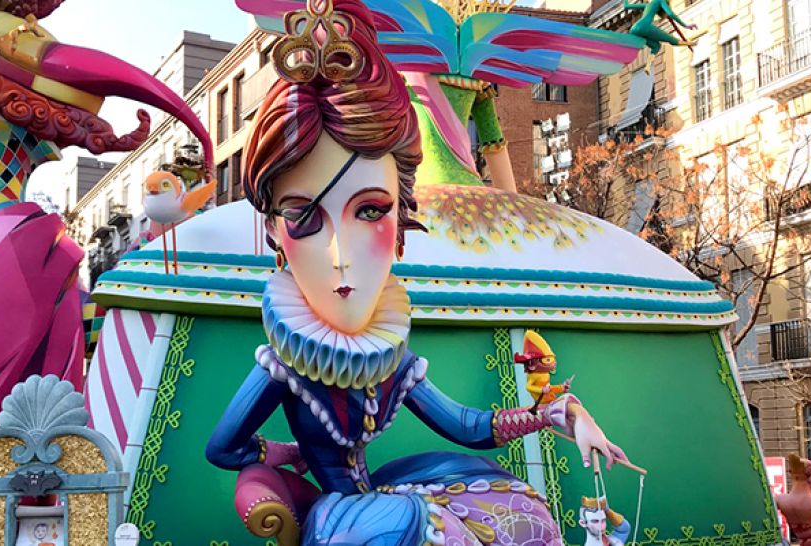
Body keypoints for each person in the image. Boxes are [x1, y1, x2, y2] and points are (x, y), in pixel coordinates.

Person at [205, 1, 629, 544]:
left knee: (518, 510)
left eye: (370, 211)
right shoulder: (285, 365)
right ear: (272, 232)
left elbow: (468, 427)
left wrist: (553, 414)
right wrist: (285, 458)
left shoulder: (393, 360)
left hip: (385, 496)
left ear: (401, 218)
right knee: (405, 526)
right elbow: (224, 448)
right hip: (346, 520)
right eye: (304, 217)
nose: (339, 253)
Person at [624, 0, 697, 54]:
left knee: (656, 46)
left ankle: (648, 66)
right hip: (645, 27)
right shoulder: (660, 0)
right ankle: (694, 43)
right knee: (671, 39)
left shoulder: (648, 5)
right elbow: (670, 14)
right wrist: (685, 25)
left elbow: (626, 6)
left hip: (634, 29)